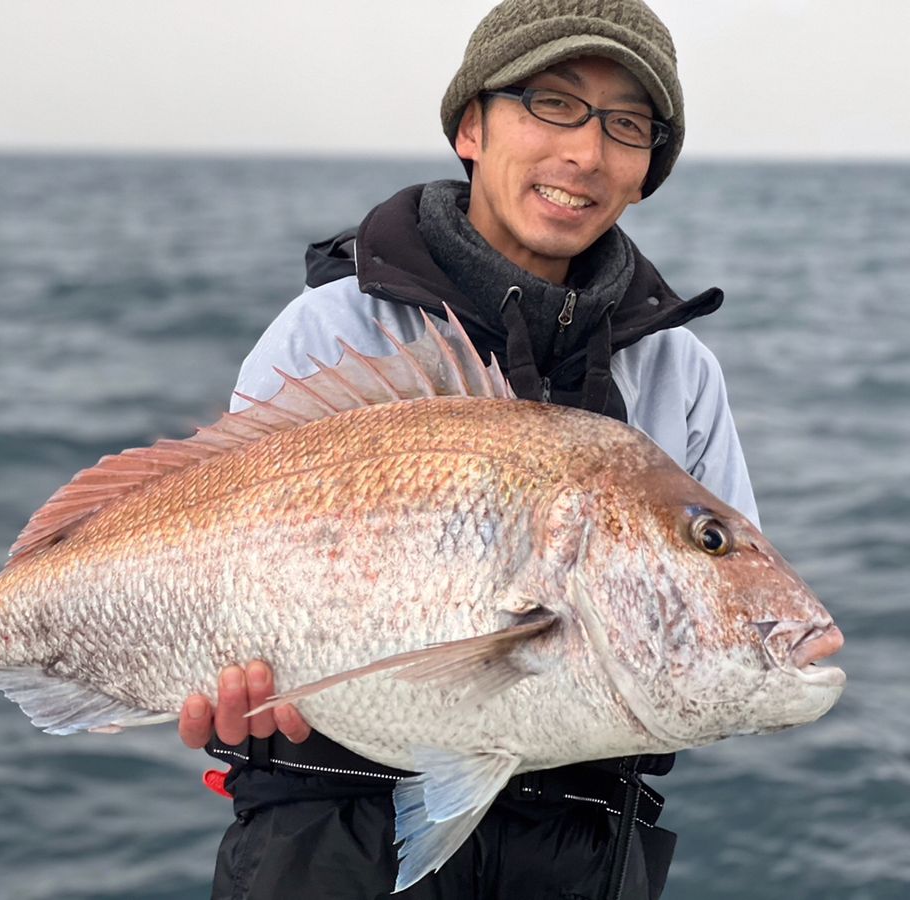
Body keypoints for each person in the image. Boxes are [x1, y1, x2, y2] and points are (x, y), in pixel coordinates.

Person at [178, 1, 759, 897]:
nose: (585, 153)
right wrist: (224, 681)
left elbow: (721, 625)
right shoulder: (332, 330)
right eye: (551, 102)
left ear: (647, 170)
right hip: (327, 840)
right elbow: (214, 547)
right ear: (471, 126)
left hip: (583, 856)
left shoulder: (682, 373)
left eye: (628, 125)